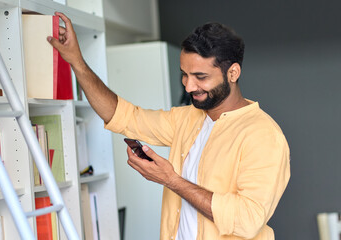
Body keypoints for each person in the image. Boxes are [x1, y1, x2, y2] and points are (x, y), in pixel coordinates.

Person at [48, 12, 290, 240]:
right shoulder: (186, 119)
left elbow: (248, 219)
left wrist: (171, 180)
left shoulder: (263, 134)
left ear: (233, 73)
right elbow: (124, 116)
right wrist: (76, 60)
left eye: (200, 77)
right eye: (184, 74)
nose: (188, 86)